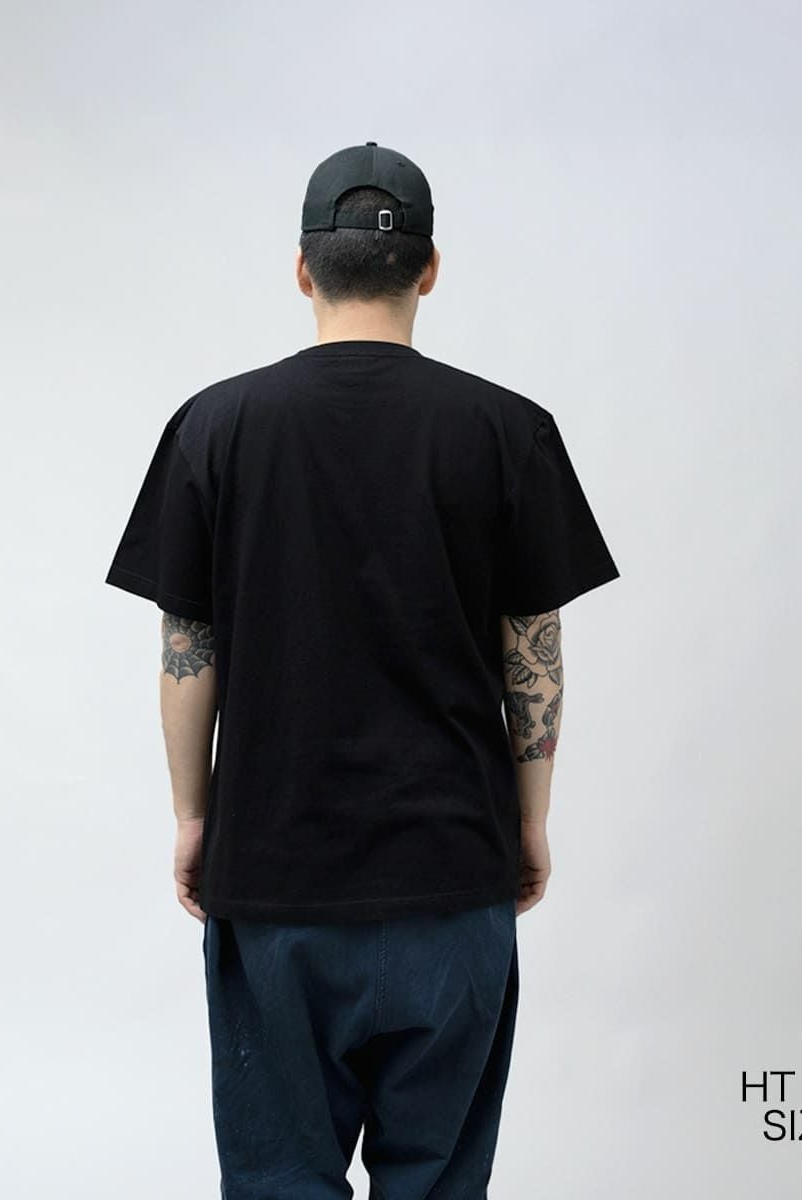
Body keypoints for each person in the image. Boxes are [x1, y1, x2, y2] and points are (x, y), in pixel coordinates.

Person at [104, 141, 620, 1199]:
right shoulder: (508, 432)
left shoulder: (214, 428)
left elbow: (186, 652)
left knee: (280, 1181)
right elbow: (535, 655)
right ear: (430, 269)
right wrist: (529, 820)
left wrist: (194, 818)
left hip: (274, 875)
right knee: (437, 1184)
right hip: (454, 870)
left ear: (302, 269)